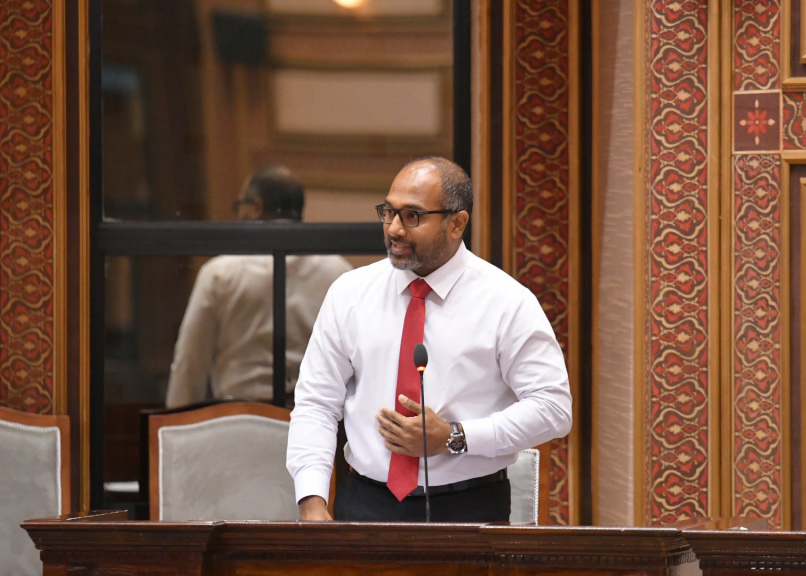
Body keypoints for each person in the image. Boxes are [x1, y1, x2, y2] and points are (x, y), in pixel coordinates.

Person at [285, 156, 572, 522]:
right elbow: (316, 403)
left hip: (470, 507)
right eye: (389, 212)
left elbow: (553, 408)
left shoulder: (507, 302)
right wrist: (311, 501)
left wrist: (454, 437)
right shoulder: (349, 293)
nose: (394, 229)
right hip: (365, 502)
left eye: (412, 216)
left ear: (457, 223)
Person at [165, 166, 352, 408]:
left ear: (256, 207)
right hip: (313, 416)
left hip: (240, 417)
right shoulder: (338, 270)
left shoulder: (220, 273)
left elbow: (191, 362)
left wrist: (174, 422)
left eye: (240, 205)